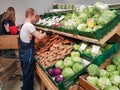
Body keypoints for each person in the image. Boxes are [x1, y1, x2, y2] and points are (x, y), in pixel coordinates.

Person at [19, 8, 46, 90]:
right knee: (29, 73)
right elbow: (40, 37)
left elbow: (29, 35)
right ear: (30, 15)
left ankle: (25, 86)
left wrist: (38, 32)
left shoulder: (24, 24)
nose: (35, 18)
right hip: (28, 54)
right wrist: (46, 33)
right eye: (34, 16)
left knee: (26, 72)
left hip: (23, 52)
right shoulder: (29, 25)